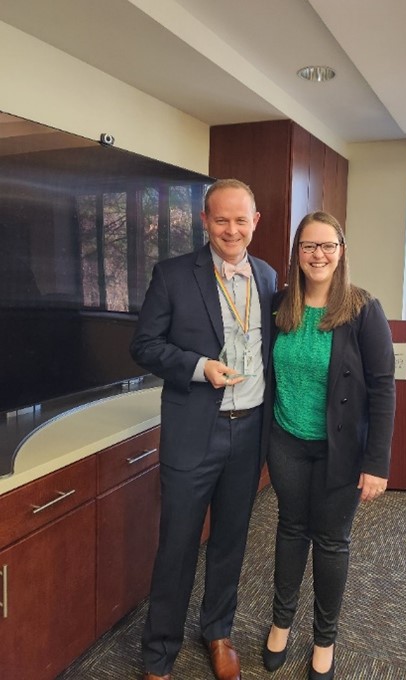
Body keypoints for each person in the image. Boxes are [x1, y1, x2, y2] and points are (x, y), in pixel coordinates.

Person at [130, 179, 277, 680]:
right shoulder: (172, 275)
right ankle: (158, 655)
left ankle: (217, 630)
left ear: (255, 222)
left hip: (250, 429)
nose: (231, 229)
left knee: (231, 540)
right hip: (196, 430)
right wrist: (199, 367)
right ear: (205, 222)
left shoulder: (269, 276)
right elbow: (145, 346)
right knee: (177, 546)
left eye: (241, 220)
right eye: (221, 220)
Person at [262, 211, 396, 680]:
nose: (318, 255)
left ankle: (324, 639)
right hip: (286, 441)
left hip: (340, 451)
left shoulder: (362, 309)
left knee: (332, 542)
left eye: (327, 246)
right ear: (297, 253)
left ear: (341, 251)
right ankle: (281, 622)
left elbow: (383, 388)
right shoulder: (281, 304)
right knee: (290, 529)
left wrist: (377, 463)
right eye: (308, 246)